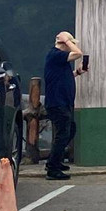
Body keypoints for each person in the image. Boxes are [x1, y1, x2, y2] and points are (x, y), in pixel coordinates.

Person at [44, 30, 84, 180]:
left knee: (70, 130)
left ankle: (54, 160)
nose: (72, 46)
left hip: (64, 102)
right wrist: (66, 41)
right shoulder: (55, 54)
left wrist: (77, 72)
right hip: (57, 102)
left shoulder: (59, 60)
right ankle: (53, 168)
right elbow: (78, 54)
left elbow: (62, 76)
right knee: (62, 134)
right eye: (71, 43)